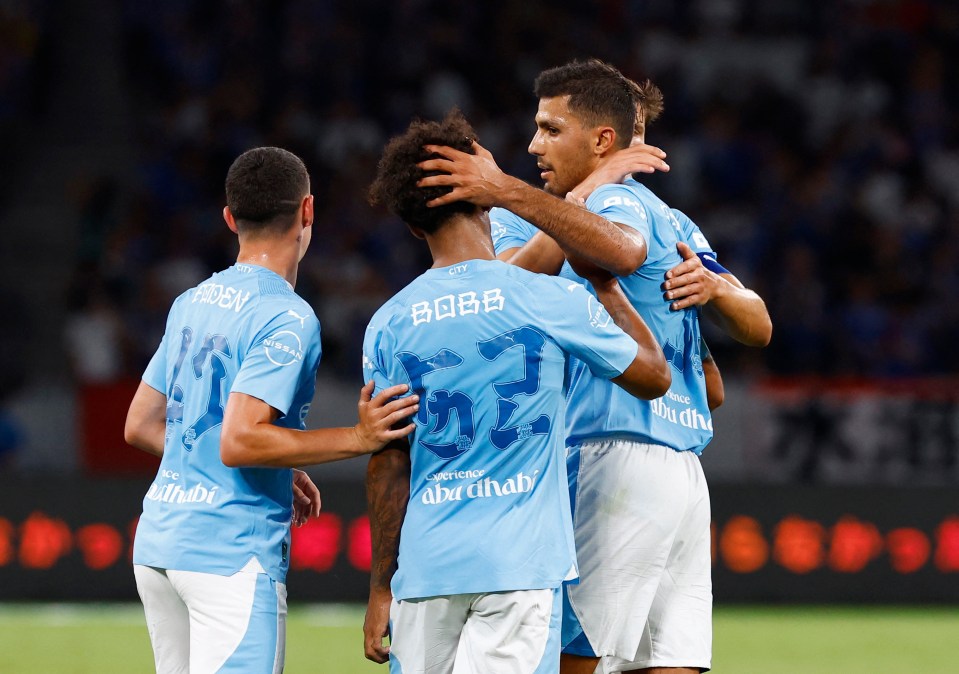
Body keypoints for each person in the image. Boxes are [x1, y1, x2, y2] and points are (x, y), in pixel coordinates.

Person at [418, 60, 770, 674]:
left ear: (605, 138)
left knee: (573, 659)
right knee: (666, 661)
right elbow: (506, 292)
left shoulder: (617, 204)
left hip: (608, 454)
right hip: (681, 469)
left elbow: (747, 316)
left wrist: (716, 293)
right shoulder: (642, 215)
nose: (535, 146)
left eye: (552, 130)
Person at [361, 110, 671, 674]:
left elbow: (388, 461)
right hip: (519, 568)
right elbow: (653, 376)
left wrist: (381, 588)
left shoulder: (389, 322)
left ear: (411, 225)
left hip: (425, 568)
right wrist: (602, 286)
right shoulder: (545, 299)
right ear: (485, 201)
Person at [123, 146, 418, 674]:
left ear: (230, 218)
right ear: (308, 210)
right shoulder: (287, 316)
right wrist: (358, 436)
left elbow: (139, 425)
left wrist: (282, 457)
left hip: (161, 543)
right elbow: (240, 441)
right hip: (228, 555)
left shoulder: (191, 300)